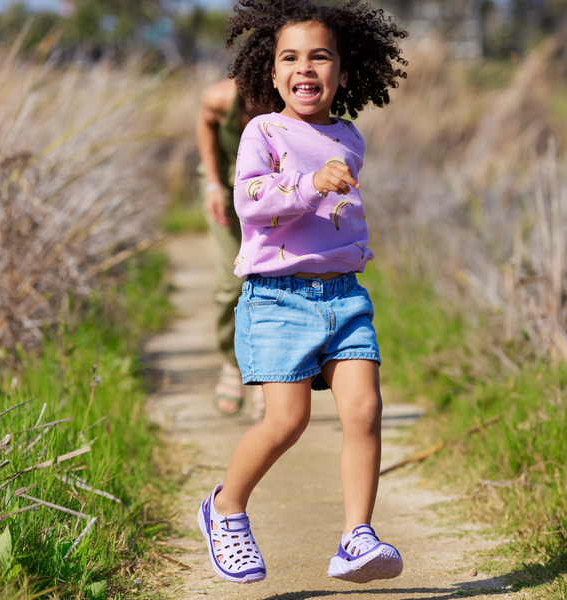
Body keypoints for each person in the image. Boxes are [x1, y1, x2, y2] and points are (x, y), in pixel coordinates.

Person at [197, 0, 408, 585]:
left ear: (343, 71)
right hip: (277, 299)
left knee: (364, 410)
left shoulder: (350, 137)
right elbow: (251, 202)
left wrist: (334, 204)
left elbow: (338, 214)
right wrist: (309, 183)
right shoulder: (263, 130)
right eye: (290, 57)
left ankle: (355, 536)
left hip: (344, 296)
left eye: (320, 56)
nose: (304, 67)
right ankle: (225, 508)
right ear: (271, 73)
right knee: (287, 421)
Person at [196, 79, 267, 421]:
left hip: (273, 193)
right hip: (225, 187)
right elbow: (205, 125)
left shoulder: (291, 100)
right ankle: (231, 361)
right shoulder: (220, 99)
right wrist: (211, 182)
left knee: (275, 284)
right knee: (233, 283)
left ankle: (271, 379)